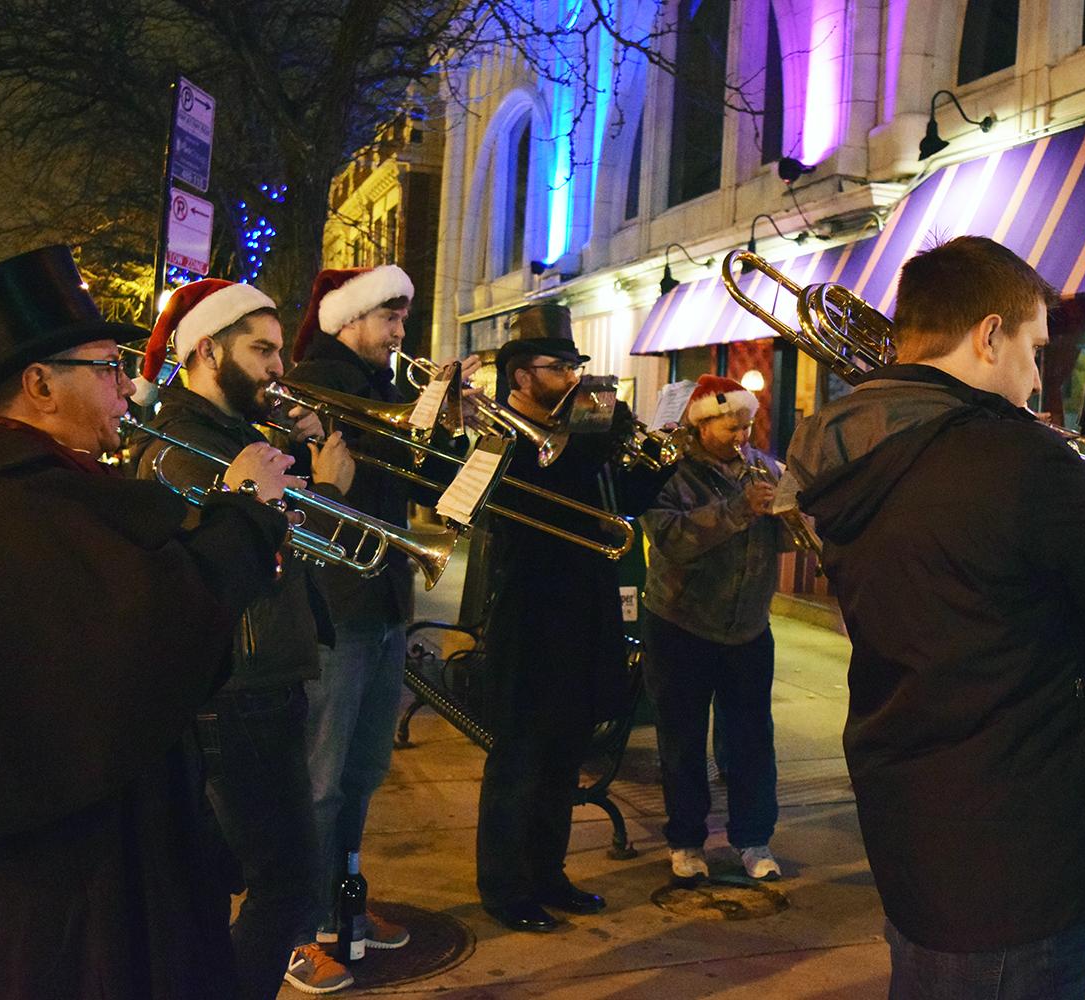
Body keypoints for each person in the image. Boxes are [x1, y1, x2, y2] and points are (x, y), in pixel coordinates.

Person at [786, 235, 1085, 999]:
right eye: (1036, 349)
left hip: (919, 819)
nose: (1039, 378)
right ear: (988, 336)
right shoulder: (1016, 459)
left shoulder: (857, 454)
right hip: (1020, 844)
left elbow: (1000, 586)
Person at [0, 245, 296, 1000]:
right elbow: (151, 628)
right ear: (39, 384)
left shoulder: (27, 485)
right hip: (64, 871)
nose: (128, 387)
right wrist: (243, 516)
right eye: (107, 367)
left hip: (82, 841)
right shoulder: (13, 500)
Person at [131, 278, 356, 1000]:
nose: (276, 366)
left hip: (263, 680)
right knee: (285, 885)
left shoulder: (234, 436)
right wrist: (319, 494)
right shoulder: (186, 446)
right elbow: (228, 570)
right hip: (242, 691)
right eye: (260, 350)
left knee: (260, 878)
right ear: (207, 349)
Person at [282, 265, 468, 990]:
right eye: (389, 317)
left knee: (362, 775)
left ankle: (344, 911)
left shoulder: (390, 391)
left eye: (402, 317)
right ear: (347, 320)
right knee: (322, 780)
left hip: (385, 595)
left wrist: (450, 422)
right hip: (337, 602)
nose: (400, 332)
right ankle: (297, 930)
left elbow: (429, 488)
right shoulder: (317, 384)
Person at [475, 303, 673, 932]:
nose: (570, 376)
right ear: (519, 376)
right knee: (520, 759)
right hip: (529, 614)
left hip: (585, 608)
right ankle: (506, 888)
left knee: (563, 754)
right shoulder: (496, 431)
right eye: (556, 366)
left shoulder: (586, 432)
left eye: (573, 364)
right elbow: (495, 512)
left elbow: (621, 508)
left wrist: (650, 465)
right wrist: (577, 451)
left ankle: (548, 873)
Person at [639, 374, 792, 883]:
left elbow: (791, 542)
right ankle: (686, 840)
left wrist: (792, 511)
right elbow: (672, 540)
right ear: (702, 424)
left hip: (749, 627)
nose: (742, 437)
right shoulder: (669, 475)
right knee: (682, 739)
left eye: (748, 426)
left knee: (751, 738)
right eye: (731, 427)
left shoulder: (765, 466)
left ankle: (754, 838)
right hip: (681, 625)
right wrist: (737, 509)